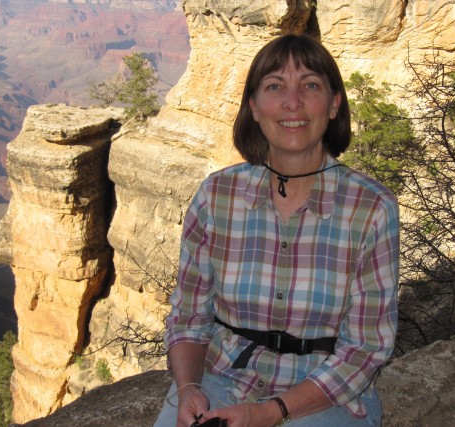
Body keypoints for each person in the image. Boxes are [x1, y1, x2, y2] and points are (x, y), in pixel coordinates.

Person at [154, 33, 399, 427]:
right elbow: (189, 318)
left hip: (324, 394)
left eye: (311, 86)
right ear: (253, 106)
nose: (293, 103)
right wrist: (188, 389)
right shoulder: (217, 196)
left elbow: (365, 347)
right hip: (222, 378)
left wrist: (271, 412)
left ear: (335, 104)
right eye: (274, 87)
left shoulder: (370, 208)